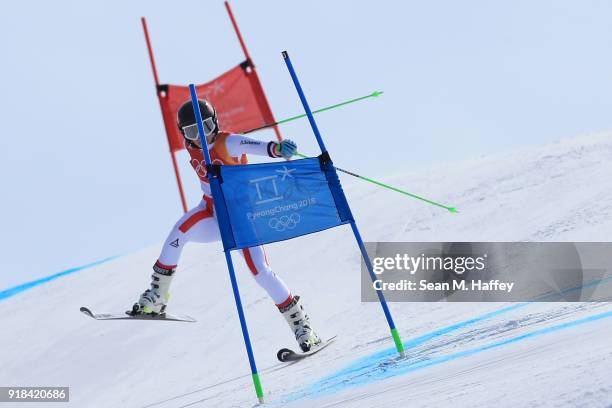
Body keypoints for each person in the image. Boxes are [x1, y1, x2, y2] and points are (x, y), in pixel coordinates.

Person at [130, 99, 322, 352]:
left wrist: (279, 148)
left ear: (216, 124)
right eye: (192, 132)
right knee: (178, 233)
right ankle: (157, 296)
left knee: (260, 271)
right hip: (211, 212)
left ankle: (302, 326)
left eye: (205, 127)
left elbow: (261, 147)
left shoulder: (227, 142)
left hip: (242, 216)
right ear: (184, 134)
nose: (200, 137)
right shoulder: (192, 147)